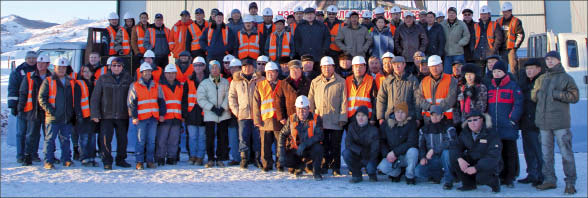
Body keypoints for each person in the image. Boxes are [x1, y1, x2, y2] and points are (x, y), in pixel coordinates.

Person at [532, 51, 579, 194]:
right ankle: (549, 180)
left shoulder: (566, 78)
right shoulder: (541, 78)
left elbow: (574, 96)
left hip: (560, 124)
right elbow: (534, 95)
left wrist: (556, 94)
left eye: (552, 59)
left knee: (566, 154)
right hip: (544, 123)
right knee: (546, 154)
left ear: (558, 60)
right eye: (547, 59)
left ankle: (570, 182)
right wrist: (537, 94)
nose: (549, 61)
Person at [91, 57, 133, 170]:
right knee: (105, 140)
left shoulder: (128, 79)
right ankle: (107, 161)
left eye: (118, 65)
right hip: (106, 115)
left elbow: (133, 96)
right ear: (110, 67)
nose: (116, 68)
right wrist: (95, 114)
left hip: (122, 115)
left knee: (122, 139)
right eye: (114, 65)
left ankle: (121, 159)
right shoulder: (103, 79)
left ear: (122, 67)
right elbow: (95, 97)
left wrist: (132, 112)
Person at [308, 56, 347, 176]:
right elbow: (311, 100)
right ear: (320, 68)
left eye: (329, 66)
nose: (327, 69)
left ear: (333, 67)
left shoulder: (341, 82)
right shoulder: (315, 82)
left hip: (335, 119)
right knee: (322, 144)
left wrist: (342, 117)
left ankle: (336, 167)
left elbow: (344, 101)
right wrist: (311, 118)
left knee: (335, 145)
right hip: (321, 119)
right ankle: (324, 165)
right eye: (324, 67)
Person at [487, 60, 523, 188]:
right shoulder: (490, 87)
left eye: (499, 71)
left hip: (508, 125)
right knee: (498, 153)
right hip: (494, 126)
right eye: (494, 71)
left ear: (504, 72)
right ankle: (500, 175)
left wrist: (512, 119)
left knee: (510, 152)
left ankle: (510, 177)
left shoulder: (512, 86)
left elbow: (518, 104)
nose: (496, 74)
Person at [37, 57, 75, 169]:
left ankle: (66, 159)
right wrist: (51, 111)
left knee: (66, 139)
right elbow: (41, 98)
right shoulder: (48, 81)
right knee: (50, 140)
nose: (62, 70)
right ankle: (48, 161)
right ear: (54, 68)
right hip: (52, 117)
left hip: (66, 117)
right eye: (59, 67)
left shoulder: (70, 81)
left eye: (64, 67)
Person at [452, 110, 502, 193]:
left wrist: (476, 168)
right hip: (474, 159)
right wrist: (459, 159)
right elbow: (455, 146)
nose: (472, 123)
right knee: (455, 159)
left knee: (481, 178)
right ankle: (469, 184)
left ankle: (495, 182)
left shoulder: (491, 134)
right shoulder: (465, 132)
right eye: (469, 120)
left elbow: (493, 156)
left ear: (482, 119)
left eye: (475, 120)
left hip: (490, 164)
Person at [127, 63, 166, 169]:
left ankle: (150, 161)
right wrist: (134, 117)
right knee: (141, 140)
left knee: (151, 141)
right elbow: (131, 103)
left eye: (149, 71)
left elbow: (162, 101)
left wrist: (162, 114)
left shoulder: (156, 85)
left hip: (153, 117)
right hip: (141, 118)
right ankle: (139, 161)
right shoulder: (135, 86)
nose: (148, 73)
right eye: (145, 72)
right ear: (141, 73)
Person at [278, 95, 324, 181]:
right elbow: (282, 134)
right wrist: (281, 153)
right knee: (284, 160)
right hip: (296, 150)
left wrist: (305, 144)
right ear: (295, 109)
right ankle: (299, 166)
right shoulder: (291, 119)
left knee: (319, 148)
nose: (301, 111)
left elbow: (319, 135)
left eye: (304, 109)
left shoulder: (316, 118)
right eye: (299, 109)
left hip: (310, 149)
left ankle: (316, 172)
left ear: (309, 108)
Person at [228, 58, 263, 169]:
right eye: (244, 66)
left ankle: (257, 158)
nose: (247, 68)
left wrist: (261, 112)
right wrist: (237, 112)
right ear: (241, 68)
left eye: (249, 66)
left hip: (257, 115)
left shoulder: (260, 80)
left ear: (254, 67)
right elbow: (232, 98)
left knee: (257, 138)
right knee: (243, 138)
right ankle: (244, 159)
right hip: (243, 114)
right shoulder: (236, 81)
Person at [197, 60, 231, 168]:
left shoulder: (225, 82)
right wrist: (211, 107)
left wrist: (223, 107)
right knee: (210, 137)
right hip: (210, 114)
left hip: (223, 114)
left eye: (217, 67)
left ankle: (220, 158)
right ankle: (211, 159)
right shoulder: (204, 83)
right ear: (209, 69)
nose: (215, 70)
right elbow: (201, 98)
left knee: (222, 137)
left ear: (220, 69)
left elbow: (229, 96)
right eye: (213, 68)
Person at [17, 54, 50, 166]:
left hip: (47, 111)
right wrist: (20, 109)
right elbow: (23, 93)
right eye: (38, 63)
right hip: (33, 110)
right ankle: (27, 155)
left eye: (42, 63)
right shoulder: (29, 76)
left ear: (48, 64)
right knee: (31, 134)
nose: (40, 65)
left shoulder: (52, 77)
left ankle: (49, 156)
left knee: (49, 135)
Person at [517, 58, 544, 186]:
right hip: (525, 121)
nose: (529, 71)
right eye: (527, 69)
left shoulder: (542, 81)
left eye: (532, 68)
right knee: (528, 149)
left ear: (538, 69)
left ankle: (541, 175)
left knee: (538, 149)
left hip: (537, 121)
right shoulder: (524, 82)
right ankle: (531, 173)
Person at [252, 62, 284, 171]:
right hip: (265, 120)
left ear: (276, 73)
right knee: (265, 145)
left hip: (279, 119)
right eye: (268, 72)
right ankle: (267, 164)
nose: (270, 74)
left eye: (272, 72)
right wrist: (257, 120)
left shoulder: (282, 84)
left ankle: (280, 164)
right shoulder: (260, 85)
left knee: (280, 144)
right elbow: (256, 104)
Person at [415, 105, 457, 189]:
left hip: (445, 158)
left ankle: (448, 180)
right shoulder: (424, 129)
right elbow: (421, 146)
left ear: (442, 115)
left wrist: (434, 150)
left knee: (446, 153)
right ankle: (436, 175)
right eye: (432, 115)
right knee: (418, 171)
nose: (434, 117)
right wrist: (422, 157)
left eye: (437, 115)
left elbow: (451, 141)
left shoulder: (449, 127)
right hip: (432, 159)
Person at [9, 51, 38, 163]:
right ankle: (20, 155)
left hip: (34, 108)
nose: (31, 60)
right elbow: (12, 89)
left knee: (34, 132)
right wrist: (13, 105)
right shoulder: (18, 72)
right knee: (21, 132)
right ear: (25, 59)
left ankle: (33, 154)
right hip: (21, 106)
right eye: (29, 58)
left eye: (33, 58)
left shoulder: (39, 70)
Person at [376, 56, 420, 127]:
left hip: (408, 118)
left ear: (404, 65)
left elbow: (417, 100)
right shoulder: (387, 81)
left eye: (399, 63)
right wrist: (380, 117)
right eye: (394, 64)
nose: (397, 66)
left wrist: (418, 117)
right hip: (390, 118)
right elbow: (381, 99)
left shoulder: (412, 80)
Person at [416, 55, 458, 124]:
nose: (435, 69)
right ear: (429, 67)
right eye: (432, 66)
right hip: (428, 119)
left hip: (446, 119)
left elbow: (451, 99)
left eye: (437, 66)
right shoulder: (424, 81)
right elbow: (419, 98)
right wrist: (430, 108)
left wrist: (436, 111)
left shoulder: (451, 80)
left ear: (442, 66)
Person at [343, 106, 379, 183]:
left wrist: (367, 155)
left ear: (367, 117)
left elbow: (375, 149)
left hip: (369, 156)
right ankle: (356, 175)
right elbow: (348, 143)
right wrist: (360, 151)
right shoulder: (351, 127)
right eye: (358, 115)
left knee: (371, 166)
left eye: (363, 115)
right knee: (346, 153)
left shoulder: (374, 130)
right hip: (357, 155)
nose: (360, 118)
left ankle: (372, 174)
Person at [183, 56, 208, 166]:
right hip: (191, 112)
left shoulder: (209, 80)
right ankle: (192, 156)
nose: (198, 67)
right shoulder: (188, 81)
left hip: (204, 112)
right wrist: (185, 114)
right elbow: (184, 99)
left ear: (204, 66)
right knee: (192, 137)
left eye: (200, 65)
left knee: (202, 137)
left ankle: (200, 157)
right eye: (195, 65)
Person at [275, 59, 311, 124]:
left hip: (306, 118)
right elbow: (278, 100)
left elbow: (312, 100)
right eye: (292, 69)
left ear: (301, 69)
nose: (294, 71)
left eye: (296, 69)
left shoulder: (308, 82)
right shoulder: (283, 83)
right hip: (289, 118)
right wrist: (281, 117)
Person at [394, 11, 427, 75]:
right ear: (404, 19)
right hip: (404, 58)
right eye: (407, 18)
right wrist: (401, 51)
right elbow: (396, 42)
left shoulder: (419, 27)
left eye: (410, 18)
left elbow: (424, 40)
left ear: (413, 18)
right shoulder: (399, 29)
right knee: (406, 76)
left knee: (418, 75)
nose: (408, 20)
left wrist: (420, 52)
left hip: (417, 58)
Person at [497, 2, 525, 76]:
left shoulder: (516, 21)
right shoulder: (498, 21)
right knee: (502, 69)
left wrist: (515, 46)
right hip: (502, 50)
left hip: (511, 49)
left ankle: (514, 84)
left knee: (513, 69)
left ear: (510, 11)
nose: (505, 13)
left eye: (507, 12)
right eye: (504, 12)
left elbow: (520, 35)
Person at [346, 56, 377, 123]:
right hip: (351, 118)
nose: (358, 69)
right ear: (352, 68)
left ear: (365, 67)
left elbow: (375, 101)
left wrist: (373, 118)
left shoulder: (371, 80)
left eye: (361, 66)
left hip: (366, 118)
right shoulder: (347, 81)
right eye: (356, 66)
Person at [440, 7, 470, 74]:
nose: (451, 14)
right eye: (450, 13)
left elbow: (467, 35)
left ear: (456, 14)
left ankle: (460, 84)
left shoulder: (461, 24)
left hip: (458, 53)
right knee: (447, 73)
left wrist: (460, 43)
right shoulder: (442, 24)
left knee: (459, 72)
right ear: (447, 14)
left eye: (453, 13)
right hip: (447, 53)